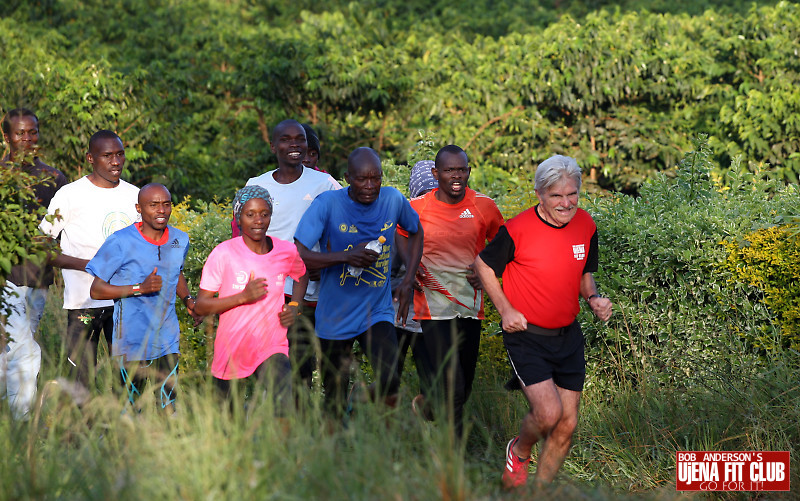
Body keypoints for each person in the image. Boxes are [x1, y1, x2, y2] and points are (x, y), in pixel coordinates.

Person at [472, 155, 613, 489]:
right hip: (527, 337)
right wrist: (505, 310)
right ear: (539, 194)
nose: (566, 203)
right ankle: (519, 451)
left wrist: (593, 299)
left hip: (568, 336)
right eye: (556, 196)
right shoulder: (517, 229)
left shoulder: (586, 225)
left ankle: (538, 494)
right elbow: (483, 266)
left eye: (572, 194)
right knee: (549, 415)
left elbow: (584, 274)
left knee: (566, 425)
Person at [294, 147, 423, 415]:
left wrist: (408, 279)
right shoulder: (327, 204)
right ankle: (337, 447)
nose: (369, 186)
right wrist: (346, 257)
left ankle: (361, 398)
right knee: (334, 399)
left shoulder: (393, 200)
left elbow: (416, 231)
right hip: (334, 315)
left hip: (376, 311)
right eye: (361, 179)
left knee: (390, 379)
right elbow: (299, 254)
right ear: (347, 177)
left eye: (375, 178)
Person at [398, 145, 504, 437]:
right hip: (431, 308)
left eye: (462, 170)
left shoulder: (485, 207)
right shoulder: (417, 208)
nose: (456, 176)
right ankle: (453, 460)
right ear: (436, 173)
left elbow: (503, 245)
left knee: (463, 386)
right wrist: (411, 265)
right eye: (449, 170)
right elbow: (399, 235)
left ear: (469, 171)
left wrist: (490, 273)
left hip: (470, 307)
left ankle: (427, 406)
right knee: (453, 386)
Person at [245, 119, 340, 391]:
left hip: (320, 292)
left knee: (331, 366)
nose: (294, 144)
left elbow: (343, 227)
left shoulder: (325, 183)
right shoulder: (257, 185)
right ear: (273, 146)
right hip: (278, 293)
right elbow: (244, 240)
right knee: (291, 370)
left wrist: (326, 263)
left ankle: (330, 423)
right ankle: (292, 425)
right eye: (286, 139)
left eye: (300, 139)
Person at [40, 129, 140, 388]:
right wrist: (89, 266)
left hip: (126, 300)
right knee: (81, 375)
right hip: (84, 302)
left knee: (129, 376)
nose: (115, 161)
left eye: (120, 154)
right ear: (90, 158)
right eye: (107, 155)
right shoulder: (70, 195)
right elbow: (42, 247)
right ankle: (81, 428)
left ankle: (125, 426)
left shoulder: (135, 196)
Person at [194, 186, 307, 410]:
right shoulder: (223, 253)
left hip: (271, 345)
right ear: (239, 217)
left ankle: (278, 443)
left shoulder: (286, 251)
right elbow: (201, 305)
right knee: (228, 422)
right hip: (232, 347)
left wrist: (294, 305)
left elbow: (301, 276)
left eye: (264, 214)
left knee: (283, 406)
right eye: (250, 214)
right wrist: (243, 296)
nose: (258, 221)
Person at [86, 183, 196, 410]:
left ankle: (168, 443)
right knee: (129, 408)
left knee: (168, 404)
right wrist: (139, 288)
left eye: (166, 204)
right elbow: (96, 290)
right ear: (139, 208)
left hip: (167, 336)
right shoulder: (120, 241)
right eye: (153, 205)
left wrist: (188, 300)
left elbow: (177, 272)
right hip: (131, 339)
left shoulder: (180, 240)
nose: (161, 210)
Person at [0, 108, 67, 419]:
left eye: (33, 132)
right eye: (20, 133)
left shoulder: (54, 178)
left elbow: (63, 230)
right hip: (6, 278)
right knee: (24, 349)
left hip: (39, 277)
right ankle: (21, 418)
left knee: (11, 347)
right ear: (6, 136)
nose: (27, 139)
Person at [393, 160, 438, 420]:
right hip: (398, 317)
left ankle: (427, 420)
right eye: (423, 195)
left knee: (434, 386)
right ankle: (365, 404)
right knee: (388, 379)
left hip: (431, 319)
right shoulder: (401, 222)